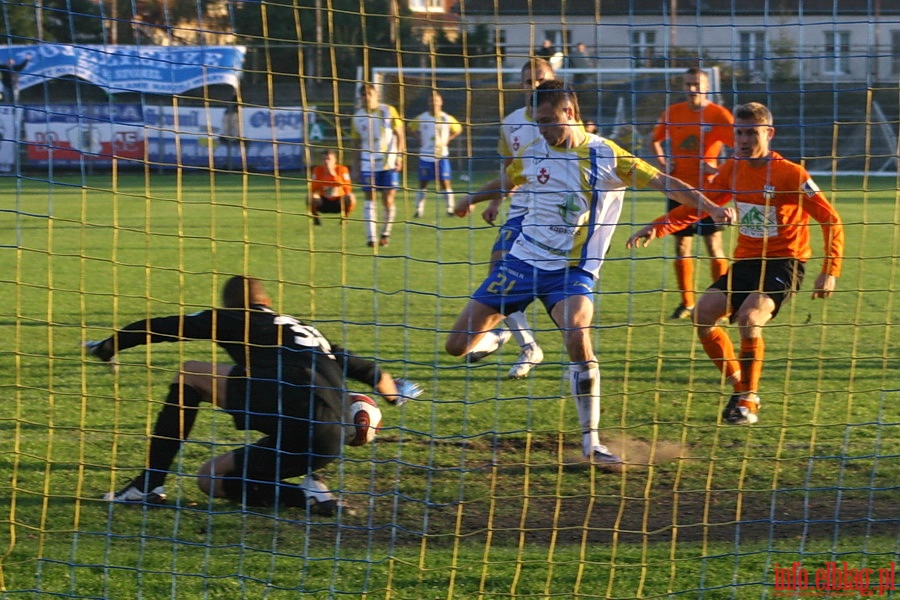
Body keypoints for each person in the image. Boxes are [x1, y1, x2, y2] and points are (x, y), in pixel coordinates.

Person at [448, 81, 733, 468]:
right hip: (523, 261)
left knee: (577, 332)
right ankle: (498, 337)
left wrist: (710, 206)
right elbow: (510, 179)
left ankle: (591, 442)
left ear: (571, 113)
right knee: (456, 346)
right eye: (538, 121)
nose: (545, 129)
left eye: (550, 120)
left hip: (572, 270)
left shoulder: (605, 155)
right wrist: (471, 198)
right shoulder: (534, 150)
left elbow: (665, 182)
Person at [85, 275, 422, 513]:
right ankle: (304, 494)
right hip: (329, 440)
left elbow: (162, 327)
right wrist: (393, 396)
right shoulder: (305, 331)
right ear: (267, 302)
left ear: (230, 305)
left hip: (292, 404)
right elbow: (365, 369)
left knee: (188, 373)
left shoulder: (234, 318)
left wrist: (110, 345)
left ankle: (148, 485)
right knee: (209, 480)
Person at [627, 102, 844, 425]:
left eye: (751, 133)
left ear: (768, 133)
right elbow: (702, 205)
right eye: (739, 133)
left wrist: (830, 270)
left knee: (749, 317)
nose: (743, 140)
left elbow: (831, 219)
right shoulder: (732, 168)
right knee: (703, 316)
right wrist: (658, 225)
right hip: (746, 261)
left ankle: (748, 402)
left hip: (784, 262)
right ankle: (740, 384)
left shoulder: (791, 173)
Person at [453, 58, 556, 380]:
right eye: (528, 81)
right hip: (522, 208)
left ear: (553, 80)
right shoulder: (512, 122)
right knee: (499, 272)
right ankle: (523, 343)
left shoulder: (566, 118)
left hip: (555, 213)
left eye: (540, 79)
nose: (534, 85)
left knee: (514, 277)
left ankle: (510, 338)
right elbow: (510, 168)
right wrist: (495, 201)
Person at [651, 67, 734, 320]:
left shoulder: (719, 115)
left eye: (696, 84)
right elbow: (655, 139)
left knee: (713, 245)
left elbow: (742, 147)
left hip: (710, 192)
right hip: (679, 190)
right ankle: (686, 303)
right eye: (687, 84)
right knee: (682, 245)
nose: (691, 89)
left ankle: (725, 302)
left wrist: (718, 169)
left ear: (706, 87)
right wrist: (664, 165)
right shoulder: (673, 112)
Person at [351, 83, 405, 248]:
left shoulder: (388, 111)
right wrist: (356, 166)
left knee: (388, 200)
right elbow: (355, 143)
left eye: (370, 94)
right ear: (360, 98)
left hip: (388, 162)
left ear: (376, 95)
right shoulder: (357, 117)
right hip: (368, 163)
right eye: (364, 95)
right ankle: (371, 237)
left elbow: (400, 134)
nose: (367, 97)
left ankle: (385, 233)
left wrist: (400, 156)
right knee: (370, 198)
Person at [408, 91, 463, 218]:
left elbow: (458, 128)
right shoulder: (422, 117)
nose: (434, 103)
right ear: (428, 103)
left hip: (441, 155)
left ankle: (450, 209)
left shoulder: (446, 118)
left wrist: (449, 139)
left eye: (436, 100)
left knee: (445, 182)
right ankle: (418, 209)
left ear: (441, 102)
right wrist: (418, 138)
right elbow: (409, 127)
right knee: (423, 182)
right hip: (425, 155)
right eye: (431, 101)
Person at [308, 149, 356, 224]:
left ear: (335, 160)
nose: (326, 161)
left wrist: (333, 175)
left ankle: (345, 218)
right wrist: (324, 177)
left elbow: (348, 188)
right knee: (309, 197)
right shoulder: (317, 170)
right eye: (324, 159)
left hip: (338, 201)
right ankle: (315, 217)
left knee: (351, 197)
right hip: (323, 201)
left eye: (328, 159)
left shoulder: (343, 169)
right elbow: (312, 188)